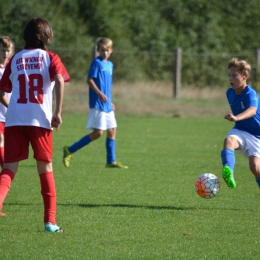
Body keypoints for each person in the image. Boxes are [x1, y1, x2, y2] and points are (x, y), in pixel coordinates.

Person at [0, 18, 70, 233]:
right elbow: (59, 80)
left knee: (9, 169)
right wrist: (57, 112)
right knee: (45, 168)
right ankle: (50, 222)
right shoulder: (50, 57)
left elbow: (3, 89)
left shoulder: (15, 59)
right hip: (40, 120)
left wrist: (15, 109)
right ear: (47, 36)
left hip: (14, 121)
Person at [63, 37, 127, 169]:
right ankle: (69, 150)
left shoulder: (110, 65)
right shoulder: (96, 63)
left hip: (107, 104)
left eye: (107, 50)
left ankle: (111, 161)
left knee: (112, 130)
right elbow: (89, 80)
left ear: (111, 51)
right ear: (98, 50)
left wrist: (111, 101)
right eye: (102, 50)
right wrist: (98, 93)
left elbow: (107, 86)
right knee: (98, 133)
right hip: (97, 103)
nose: (105, 53)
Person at [221, 57, 260, 189]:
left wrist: (237, 117)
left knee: (255, 167)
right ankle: (229, 171)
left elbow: (252, 110)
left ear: (245, 76)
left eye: (235, 75)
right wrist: (237, 121)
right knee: (229, 141)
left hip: (257, 134)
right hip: (241, 129)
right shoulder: (229, 93)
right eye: (229, 75)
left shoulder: (250, 94)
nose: (231, 78)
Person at [0, 36, 14, 169]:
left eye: (7, 50)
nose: (5, 53)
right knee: (1, 140)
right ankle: (6, 171)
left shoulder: (12, 67)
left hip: (9, 114)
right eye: (3, 50)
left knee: (8, 143)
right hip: (2, 111)